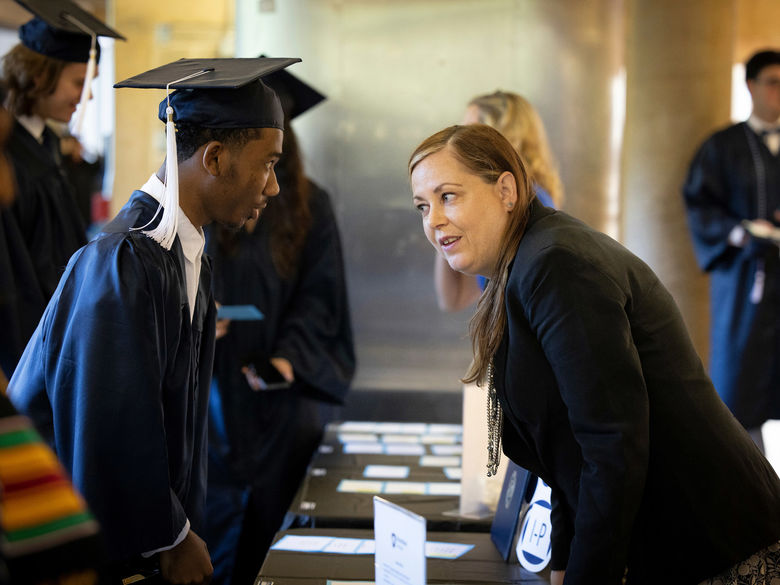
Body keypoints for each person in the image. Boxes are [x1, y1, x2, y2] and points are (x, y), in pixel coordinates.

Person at [409, 124, 780, 585]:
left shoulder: (555, 262)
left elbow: (611, 442)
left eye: (448, 196)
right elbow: (565, 452)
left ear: (506, 189)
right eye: (423, 207)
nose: (434, 221)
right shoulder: (524, 262)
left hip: (714, 541)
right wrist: (564, 559)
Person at [8, 56, 300, 584]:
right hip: (70, 550)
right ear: (214, 158)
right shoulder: (123, 259)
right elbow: (108, 425)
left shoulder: (185, 254)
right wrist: (169, 536)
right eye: (268, 163)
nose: (273, 185)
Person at [205, 68, 355, 585]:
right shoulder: (206, 199)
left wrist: (288, 358)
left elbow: (322, 298)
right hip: (212, 393)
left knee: (278, 532)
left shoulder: (313, 206)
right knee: (213, 528)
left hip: (282, 401)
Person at [0, 0, 124, 380]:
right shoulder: (6, 154)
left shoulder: (46, 145)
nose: (86, 96)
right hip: (22, 350)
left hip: (55, 335)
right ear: (41, 74)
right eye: (80, 82)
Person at [682, 49, 780, 450]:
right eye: (773, 82)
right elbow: (700, 204)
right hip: (745, 283)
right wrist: (742, 233)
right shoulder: (722, 147)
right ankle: (752, 494)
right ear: (751, 86)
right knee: (741, 387)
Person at [435, 91, 563, 312]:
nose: (457, 143)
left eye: (469, 132)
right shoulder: (502, 204)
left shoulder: (528, 203)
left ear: (502, 136)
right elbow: (454, 298)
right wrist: (442, 214)